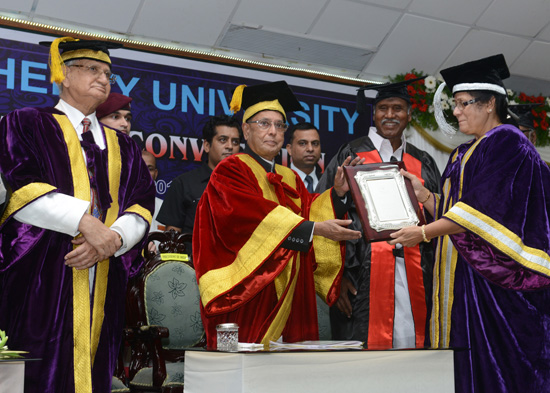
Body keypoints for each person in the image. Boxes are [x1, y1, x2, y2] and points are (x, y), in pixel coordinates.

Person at [0, 37, 155, 393]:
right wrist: (87, 225)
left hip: (104, 270)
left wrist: (112, 239)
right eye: (93, 70)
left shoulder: (125, 146)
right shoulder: (25, 123)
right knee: (36, 367)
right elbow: (22, 186)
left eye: (108, 73)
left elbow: (142, 202)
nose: (104, 78)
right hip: (42, 267)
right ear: (64, 75)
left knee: (98, 362)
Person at [389, 54, 550, 393]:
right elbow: (458, 210)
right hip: (462, 275)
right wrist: (427, 198)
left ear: (490, 103)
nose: (457, 111)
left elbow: (482, 209)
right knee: (464, 362)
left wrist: (422, 232)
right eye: (455, 104)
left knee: (496, 364)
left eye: (463, 103)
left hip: (495, 278)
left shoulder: (509, 141)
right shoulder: (465, 152)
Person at [193, 80, 364, 349]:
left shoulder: (289, 177)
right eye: (264, 124)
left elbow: (310, 211)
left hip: (294, 288)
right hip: (252, 290)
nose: (273, 132)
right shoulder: (231, 170)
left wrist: (338, 194)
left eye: (279, 125)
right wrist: (315, 229)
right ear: (246, 130)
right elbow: (248, 218)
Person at [317, 78, 441, 349]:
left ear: (409, 115)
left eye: (397, 108)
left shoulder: (423, 161)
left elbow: (440, 219)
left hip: (417, 274)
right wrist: (336, 281)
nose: (389, 115)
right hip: (362, 277)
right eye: (383, 108)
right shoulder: (352, 153)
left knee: (417, 356)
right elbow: (321, 212)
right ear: (374, 114)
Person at [157, 114, 242, 234]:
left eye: (235, 142)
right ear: (207, 146)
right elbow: (172, 240)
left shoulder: (244, 185)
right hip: (193, 252)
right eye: (223, 140)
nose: (230, 146)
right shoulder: (183, 184)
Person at [286, 122, 322, 192]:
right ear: (289, 149)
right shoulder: (279, 180)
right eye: (302, 143)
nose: (310, 149)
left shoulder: (329, 182)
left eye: (315, 143)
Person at [141, 149, 162, 232]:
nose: (145, 173)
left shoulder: (163, 207)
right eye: (140, 168)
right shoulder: (119, 206)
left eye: (150, 169)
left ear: (156, 174)